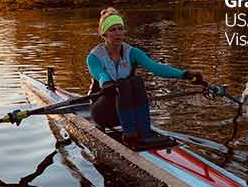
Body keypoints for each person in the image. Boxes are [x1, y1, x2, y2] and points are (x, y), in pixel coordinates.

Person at [87, 8, 202, 144]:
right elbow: (100, 75)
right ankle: (129, 134)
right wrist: (106, 83)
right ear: (104, 33)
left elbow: (156, 68)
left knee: (136, 81)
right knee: (123, 84)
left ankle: (144, 132)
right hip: (103, 113)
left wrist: (185, 74)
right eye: (113, 30)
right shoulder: (94, 57)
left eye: (120, 29)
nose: (118, 33)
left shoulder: (132, 52)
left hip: (125, 111)